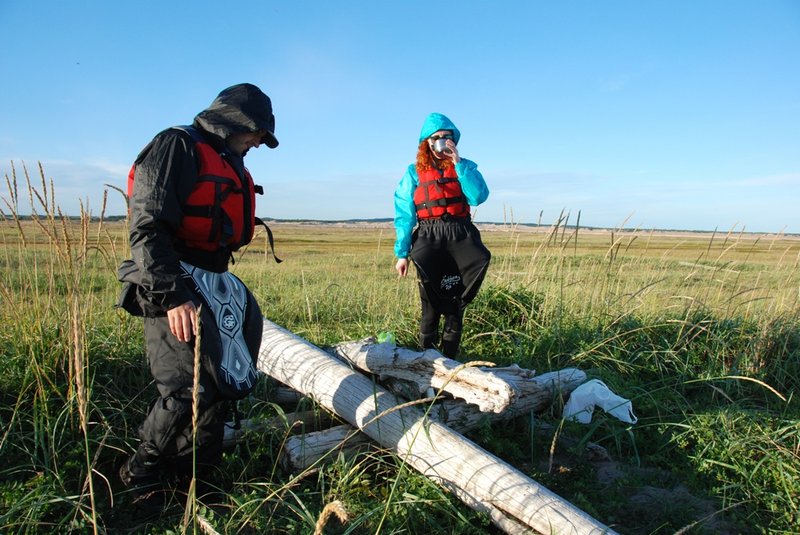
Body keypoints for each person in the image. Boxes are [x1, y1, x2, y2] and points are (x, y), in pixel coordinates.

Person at [115, 83, 278, 492]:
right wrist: (174, 296)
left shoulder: (229, 158)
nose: (258, 143)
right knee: (185, 389)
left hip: (213, 281)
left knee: (218, 388)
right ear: (236, 121)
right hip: (172, 283)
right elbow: (147, 228)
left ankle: (197, 480)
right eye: (257, 132)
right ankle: (138, 476)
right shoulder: (176, 146)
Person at [393, 113, 491, 358]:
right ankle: (425, 359)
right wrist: (402, 253)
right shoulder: (413, 172)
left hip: (461, 235)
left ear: (454, 140)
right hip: (429, 236)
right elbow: (404, 213)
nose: (441, 141)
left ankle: (450, 360)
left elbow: (478, 196)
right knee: (430, 304)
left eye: (447, 137)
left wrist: (457, 164)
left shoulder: (465, 166)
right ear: (426, 142)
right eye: (435, 137)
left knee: (455, 305)